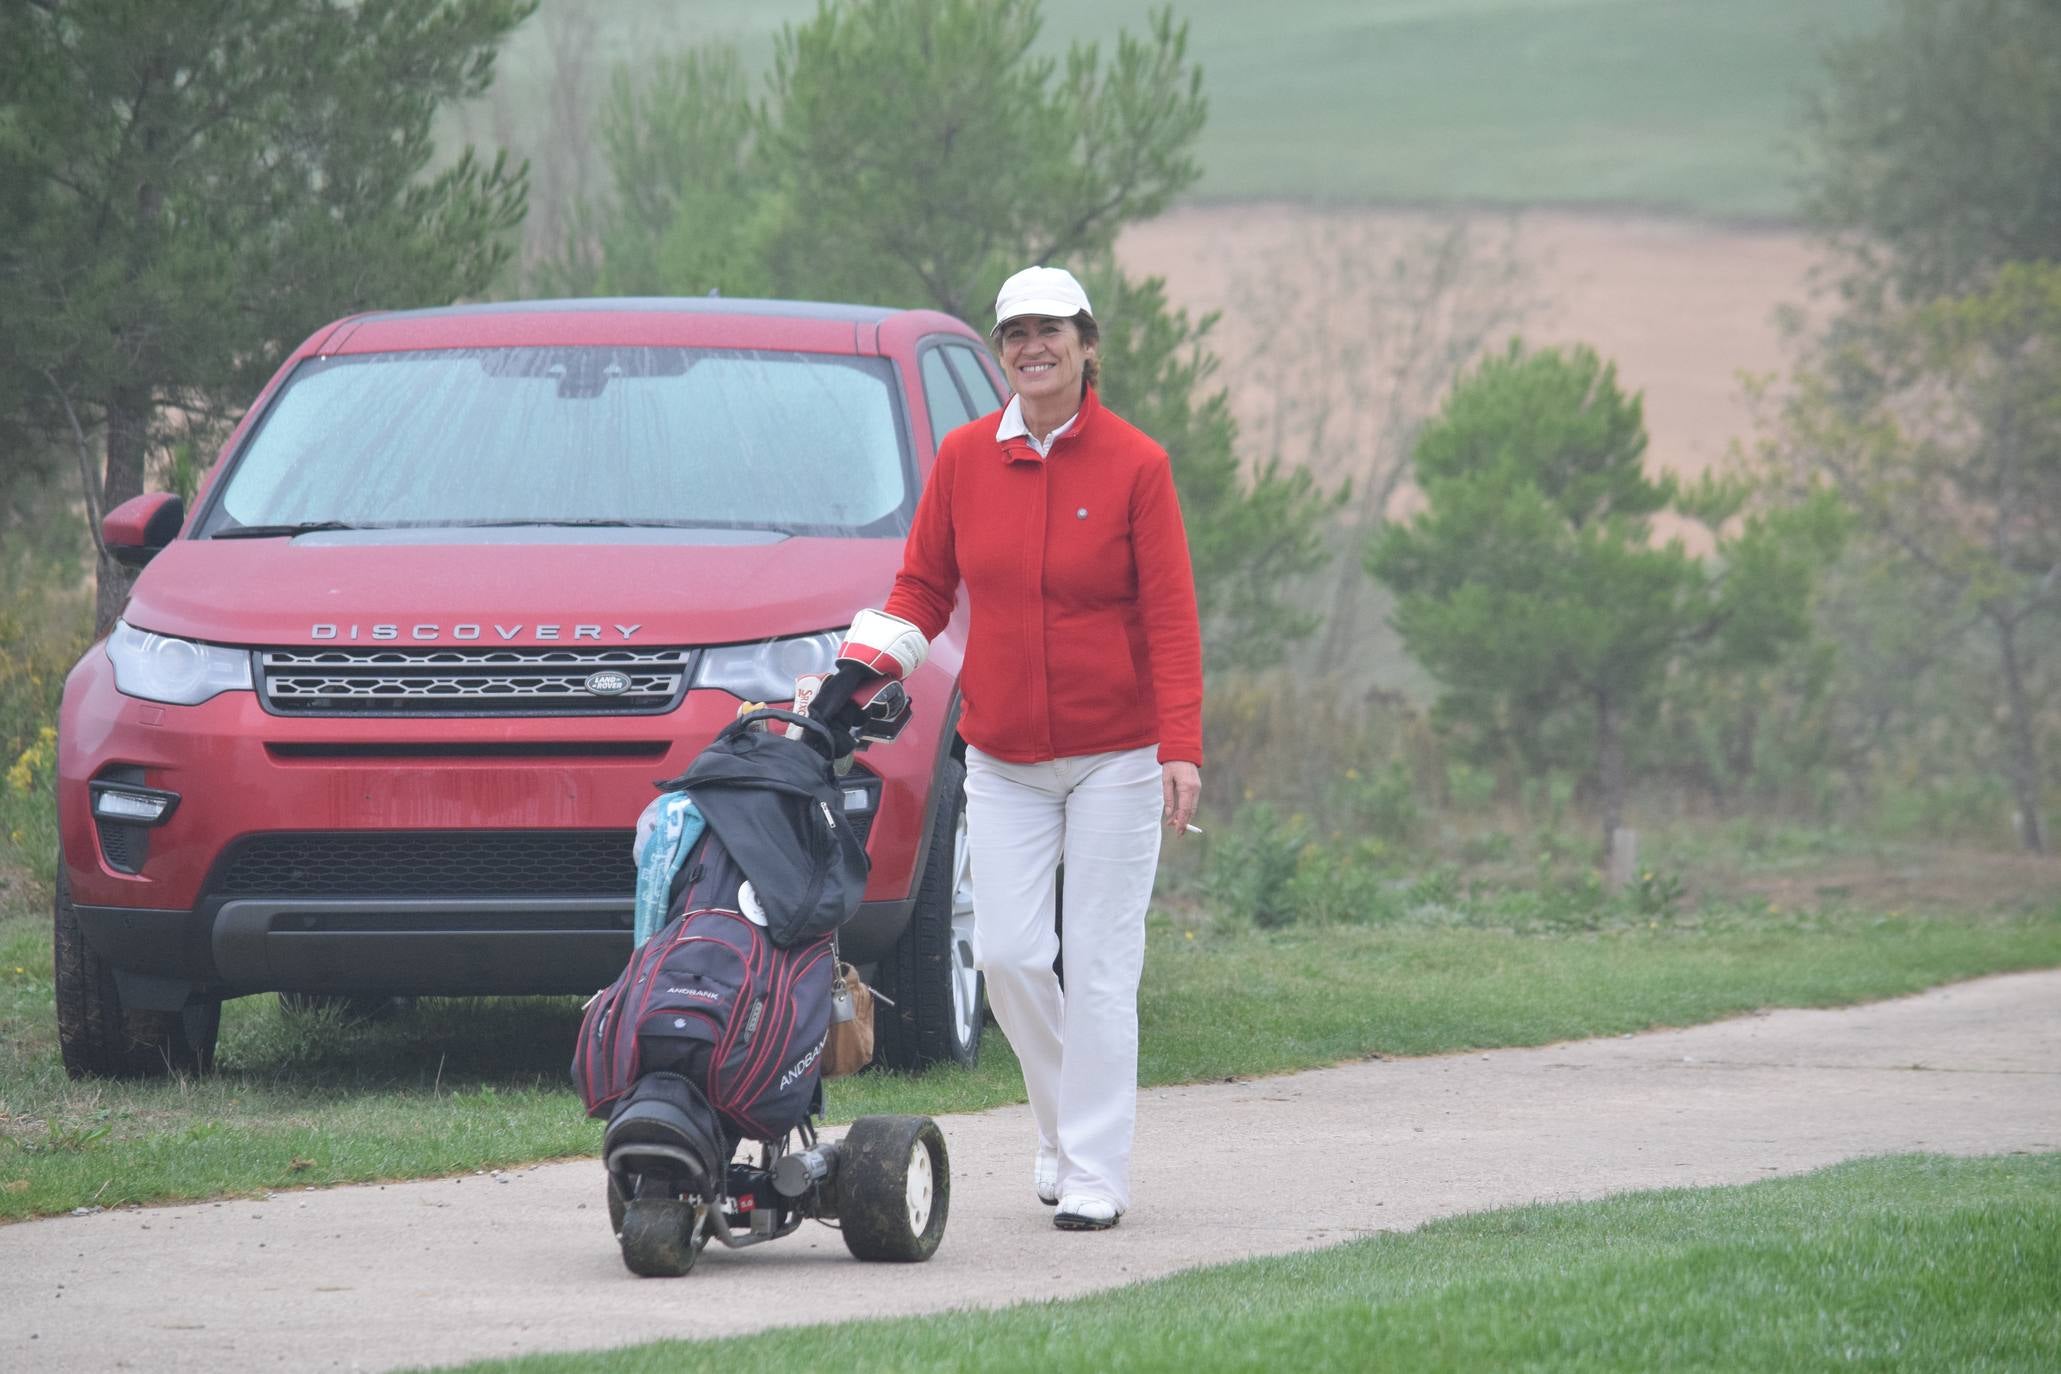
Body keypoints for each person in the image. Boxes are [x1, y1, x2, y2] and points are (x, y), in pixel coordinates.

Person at [837, 264, 1203, 1231]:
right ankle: (1062, 1126)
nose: (1031, 349)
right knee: (1006, 957)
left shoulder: (1136, 464)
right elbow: (920, 592)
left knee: (1098, 959)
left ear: (1088, 345)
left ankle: (1093, 1174)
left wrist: (1181, 746)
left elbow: (1169, 619)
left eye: (1050, 331)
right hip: (998, 759)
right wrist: (856, 672)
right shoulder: (962, 459)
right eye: (1014, 335)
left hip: (1117, 756)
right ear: (1001, 353)